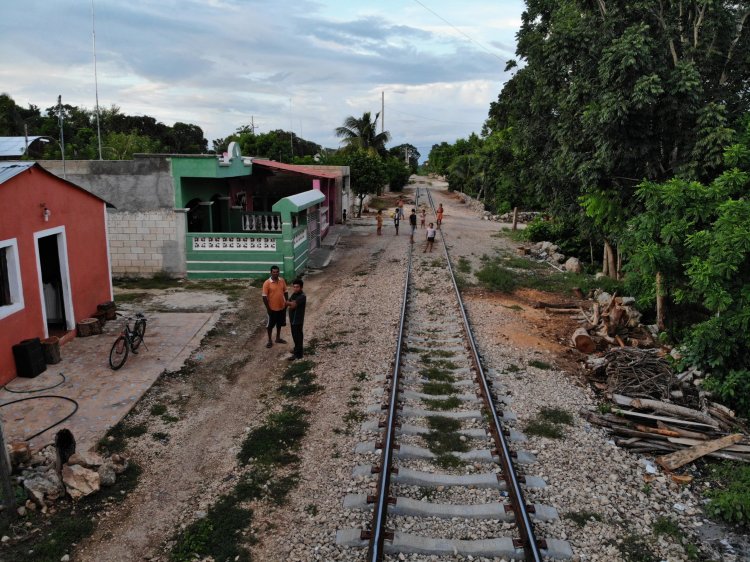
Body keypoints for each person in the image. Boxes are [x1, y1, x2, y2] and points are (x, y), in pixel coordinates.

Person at [262, 265, 288, 348]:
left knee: (279, 323)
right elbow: (264, 297)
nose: (275, 274)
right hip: (272, 308)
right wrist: (268, 309)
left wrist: (286, 303)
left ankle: (278, 338)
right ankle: (269, 340)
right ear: (271, 273)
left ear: (279, 272)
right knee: (270, 326)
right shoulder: (267, 283)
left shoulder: (282, 281)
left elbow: (286, 291)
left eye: (277, 272)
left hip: (281, 307)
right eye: (274, 272)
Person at [285, 278, 306, 360]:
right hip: (292, 320)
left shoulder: (302, 296)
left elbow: (292, 305)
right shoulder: (294, 294)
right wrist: (289, 303)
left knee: (298, 337)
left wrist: (288, 303)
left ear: (301, 287)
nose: (295, 288)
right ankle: (297, 350)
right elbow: (289, 302)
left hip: (298, 320)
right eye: (294, 287)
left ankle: (298, 355)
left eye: (297, 287)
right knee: (295, 336)